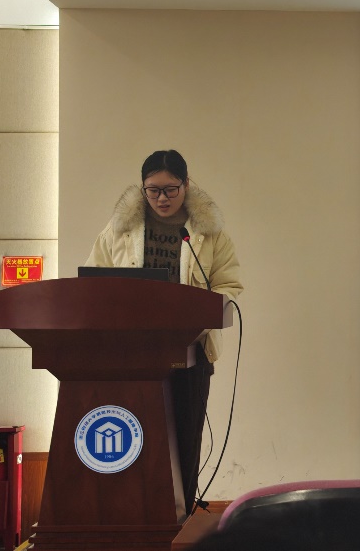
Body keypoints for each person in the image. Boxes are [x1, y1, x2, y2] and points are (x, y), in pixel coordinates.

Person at [84, 149, 242, 515]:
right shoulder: (120, 229)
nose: (162, 198)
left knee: (185, 436)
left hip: (191, 350)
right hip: (131, 353)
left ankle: (182, 513)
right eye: (152, 190)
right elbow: (93, 281)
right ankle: (135, 514)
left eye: (170, 189)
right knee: (136, 434)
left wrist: (201, 311)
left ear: (186, 184)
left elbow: (229, 285)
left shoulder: (208, 232)